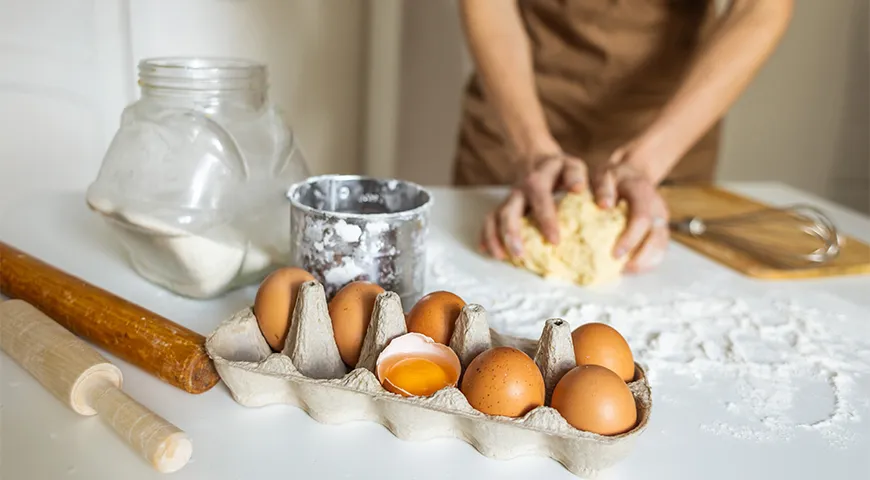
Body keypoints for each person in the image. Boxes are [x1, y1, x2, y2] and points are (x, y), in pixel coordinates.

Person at [453, 0, 793, 273]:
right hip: (517, 110)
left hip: (668, 121)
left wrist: (648, 160)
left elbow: (760, 7)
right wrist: (530, 148)